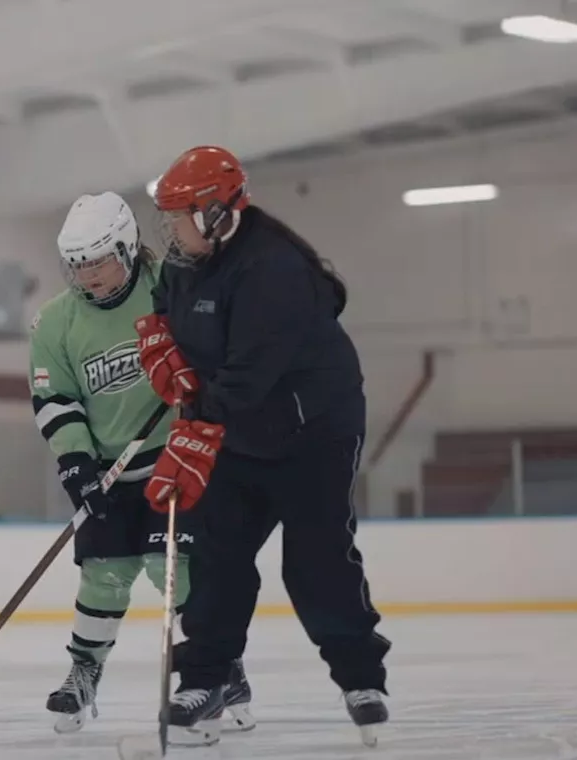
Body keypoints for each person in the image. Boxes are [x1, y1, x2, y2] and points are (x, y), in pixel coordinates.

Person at [134, 145, 391, 747]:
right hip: (238, 430)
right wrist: (160, 346)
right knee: (216, 558)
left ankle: (361, 678)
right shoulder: (184, 263)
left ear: (215, 214)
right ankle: (203, 680)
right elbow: (166, 311)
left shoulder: (273, 270)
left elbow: (248, 379)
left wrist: (193, 423)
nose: (168, 231)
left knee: (315, 557)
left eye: (176, 217)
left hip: (312, 432)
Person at [29, 191, 254, 735]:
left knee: (173, 570)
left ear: (129, 250)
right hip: (109, 468)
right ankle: (83, 674)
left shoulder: (171, 289)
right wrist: (76, 464)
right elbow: (56, 400)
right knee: (102, 575)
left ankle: (216, 671)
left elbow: (221, 346)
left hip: (174, 458)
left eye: (99, 261)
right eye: (78, 266)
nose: (89, 276)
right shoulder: (55, 323)